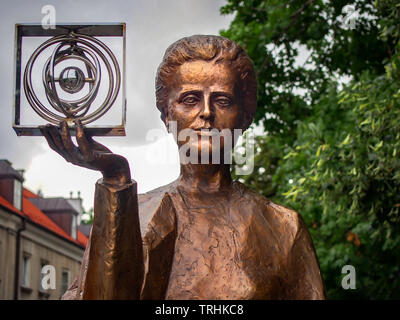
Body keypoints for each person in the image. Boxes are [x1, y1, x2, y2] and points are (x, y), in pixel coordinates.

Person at [41, 35, 326, 300]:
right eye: (189, 99)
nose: (206, 112)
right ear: (167, 115)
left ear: (245, 116)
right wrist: (115, 180)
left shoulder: (283, 228)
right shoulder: (131, 215)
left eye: (222, 100)